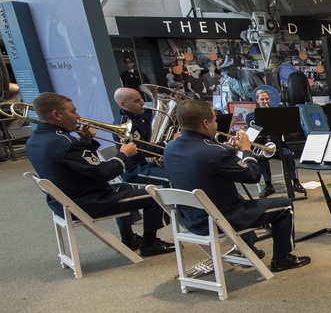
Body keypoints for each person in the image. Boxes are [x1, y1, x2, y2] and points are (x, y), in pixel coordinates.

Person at [162, 100, 310, 273]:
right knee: (285, 205)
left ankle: (247, 248)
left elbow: (208, 165)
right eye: (215, 120)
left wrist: (229, 154)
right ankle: (282, 258)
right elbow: (253, 175)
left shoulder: (170, 147)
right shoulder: (216, 152)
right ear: (206, 123)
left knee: (238, 198)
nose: (216, 125)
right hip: (219, 220)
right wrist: (246, 150)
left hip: (190, 219)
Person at [25, 92, 174, 256]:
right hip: (87, 202)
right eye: (73, 111)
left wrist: (86, 142)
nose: (78, 116)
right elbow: (104, 173)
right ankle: (150, 243)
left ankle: (129, 239)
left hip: (63, 201)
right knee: (154, 195)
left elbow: (80, 166)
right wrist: (123, 154)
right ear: (56, 115)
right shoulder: (66, 143)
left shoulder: (34, 140)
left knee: (123, 186)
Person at [244, 89, 305, 197]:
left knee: (287, 155)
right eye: (262, 99)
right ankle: (268, 185)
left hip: (277, 145)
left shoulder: (276, 113)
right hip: (263, 146)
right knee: (260, 158)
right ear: (257, 101)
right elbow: (251, 135)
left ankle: (295, 182)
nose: (265, 101)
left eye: (267, 99)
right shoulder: (250, 116)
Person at [112, 87, 170, 186]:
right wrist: (170, 142)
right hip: (136, 169)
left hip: (151, 163)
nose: (142, 102)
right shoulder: (124, 124)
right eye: (136, 101)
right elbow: (144, 150)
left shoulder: (143, 114)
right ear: (123, 104)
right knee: (172, 177)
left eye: (141, 99)